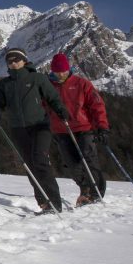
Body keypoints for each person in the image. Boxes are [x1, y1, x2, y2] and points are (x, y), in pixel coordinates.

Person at [0, 47, 68, 213]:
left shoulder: (37, 78)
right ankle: (43, 201)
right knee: (29, 165)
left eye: (16, 60)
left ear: (24, 60)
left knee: (40, 161)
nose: (13, 63)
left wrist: (60, 110)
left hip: (39, 125)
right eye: (10, 61)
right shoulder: (4, 84)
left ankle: (54, 203)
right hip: (18, 128)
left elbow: (52, 97)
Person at [48, 53, 109, 205]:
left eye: (63, 71)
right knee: (71, 164)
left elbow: (97, 105)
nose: (61, 74)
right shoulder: (49, 86)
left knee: (89, 160)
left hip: (83, 128)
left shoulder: (82, 83)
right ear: (52, 71)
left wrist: (102, 126)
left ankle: (96, 193)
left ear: (68, 69)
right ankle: (85, 188)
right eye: (57, 71)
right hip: (61, 131)